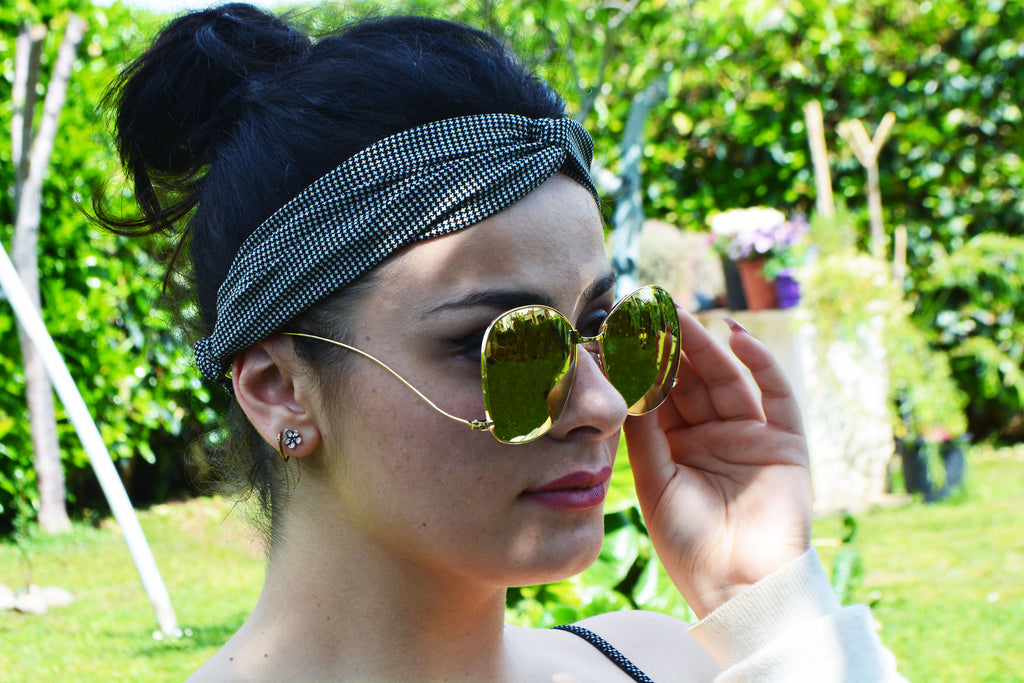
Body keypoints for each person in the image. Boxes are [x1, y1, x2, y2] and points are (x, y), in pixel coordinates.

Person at [100, 4, 903, 680]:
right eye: (500, 343)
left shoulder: (662, 663)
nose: (602, 403)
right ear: (279, 388)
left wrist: (766, 602)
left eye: (604, 328)